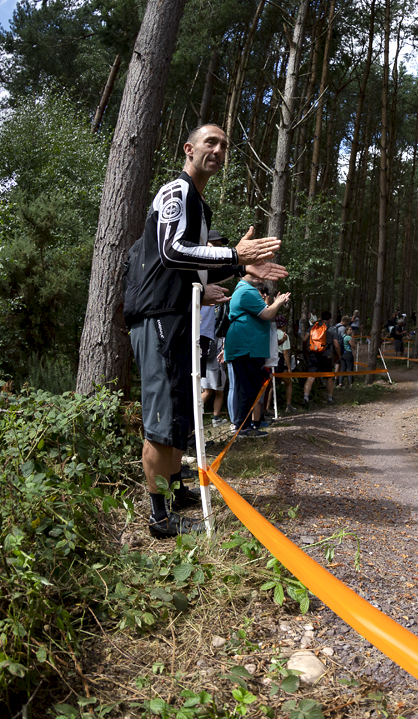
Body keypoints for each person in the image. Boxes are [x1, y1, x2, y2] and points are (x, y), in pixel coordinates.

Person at [123, 123, 287, 538]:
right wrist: (234, 254)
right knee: (163, 417)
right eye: (210, 142)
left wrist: (225, 274)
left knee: (179, 409)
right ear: (189, 148)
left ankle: (175, 493)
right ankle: (160, 517)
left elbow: (186, 261)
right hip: (159, 316)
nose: (218, 149)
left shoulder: (198, 202)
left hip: (179, 315)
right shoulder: (176, 192)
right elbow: (170, 250)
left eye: (224, 145)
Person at [226, 272, 290, 438]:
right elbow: (267, 314)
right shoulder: (247, 291)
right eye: (254, 274)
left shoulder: (245, 290)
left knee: (248, 387)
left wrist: (276, 303)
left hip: (248, 348)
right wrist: (278, 302)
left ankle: (243, 427)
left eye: (261, 275)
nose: (259, 278)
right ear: (243, 273)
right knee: (248, 388)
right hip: (247, 348)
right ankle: (242, 427)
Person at [303, 310, 341, 406]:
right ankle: (330, 399)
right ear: (330, 319)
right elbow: (336, 345)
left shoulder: (313, 327)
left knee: (311, 376)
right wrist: (338, 355)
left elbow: (304, 339)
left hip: (314, 354)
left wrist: (306, 350)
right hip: (327, 356)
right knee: (328, 377)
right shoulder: (332, 329)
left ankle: (305, 398)